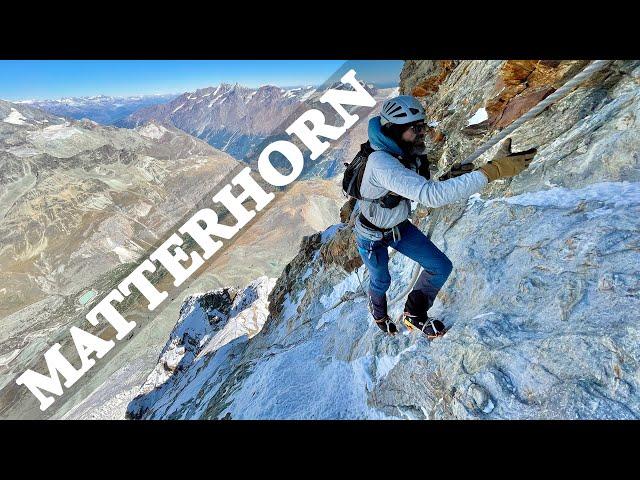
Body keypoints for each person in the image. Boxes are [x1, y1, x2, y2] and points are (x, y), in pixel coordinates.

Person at [353, 95, 536, 337]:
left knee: (439, 266)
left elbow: (419, 186)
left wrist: (450, 178)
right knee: (382, 280)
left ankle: (414, 315)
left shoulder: (405, 152)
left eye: (422, 126)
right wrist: (493, 171)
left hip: (397, 227)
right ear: (394, 131)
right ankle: (378, 313)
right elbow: (430, 196)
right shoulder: (381, 163)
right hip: (371, 236)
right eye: (414, 129)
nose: (421, 133)